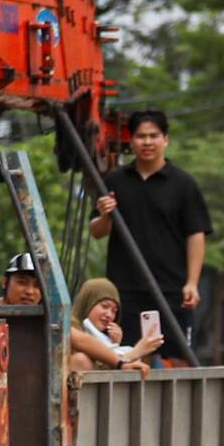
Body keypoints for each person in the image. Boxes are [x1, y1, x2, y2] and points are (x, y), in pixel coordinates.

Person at [88, 109, 212, 350]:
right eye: (140, 136)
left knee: (180, 357)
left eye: (153, 136)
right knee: (130, 355)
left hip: (172, 287)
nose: (147, 142)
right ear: (131, 140)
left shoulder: (183, 184)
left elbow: (196, 234)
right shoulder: (115, 181)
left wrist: (192, 282)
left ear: (165, 139)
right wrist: (105, 214)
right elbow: (97, 231)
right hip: (125, 289)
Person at [68, 278, 161, 373]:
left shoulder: (101, 335)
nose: (109, 315)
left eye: (114, 311)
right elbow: (102, 368)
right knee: (81, 360)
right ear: (87, 302)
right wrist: (136, 352)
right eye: (104, 306)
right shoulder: (70, 327)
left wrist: (114, 345)